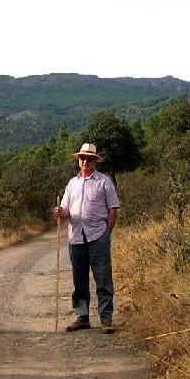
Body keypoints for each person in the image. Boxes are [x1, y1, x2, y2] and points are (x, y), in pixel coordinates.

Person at [53, 143, 120, 334]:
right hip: (76, 237)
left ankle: (106, 319)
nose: (85, 162)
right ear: (79, 161)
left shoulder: (104, 182)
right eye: (82, 158)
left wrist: (107, 231)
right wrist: (60, 212)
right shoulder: (72, 183)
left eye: (89, 159)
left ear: (95, 161)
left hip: (98, 235)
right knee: (79, 280)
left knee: (103, 278)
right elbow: (66, 210)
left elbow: (113, 208)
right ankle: (82, 318)